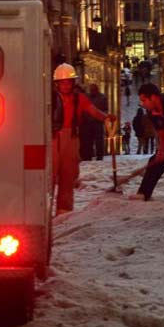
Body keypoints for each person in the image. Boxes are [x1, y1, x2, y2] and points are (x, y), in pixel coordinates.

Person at [52, 64, 115, 215]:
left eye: (68, 82)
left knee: (68, 177)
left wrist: (106, 117)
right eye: (63, 82)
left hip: (71, 138)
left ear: (73, 83)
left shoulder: (79, 98)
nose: (66, 85)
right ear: (57, 83)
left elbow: (92, 110)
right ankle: (43, 212)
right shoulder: (50, 98)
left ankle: (64, 212)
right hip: (52, 138)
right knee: (49, 177)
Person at [82, 83, 108, 161]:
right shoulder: (86, 97)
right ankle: (88, 156)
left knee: (99, 141)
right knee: (88, 141)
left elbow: (105, 109)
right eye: (91, 90)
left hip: (98, 123)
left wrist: (102, 117)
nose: (92, 91)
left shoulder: (102, 97)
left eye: (93, 90)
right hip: (88, 123)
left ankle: (99, 156)